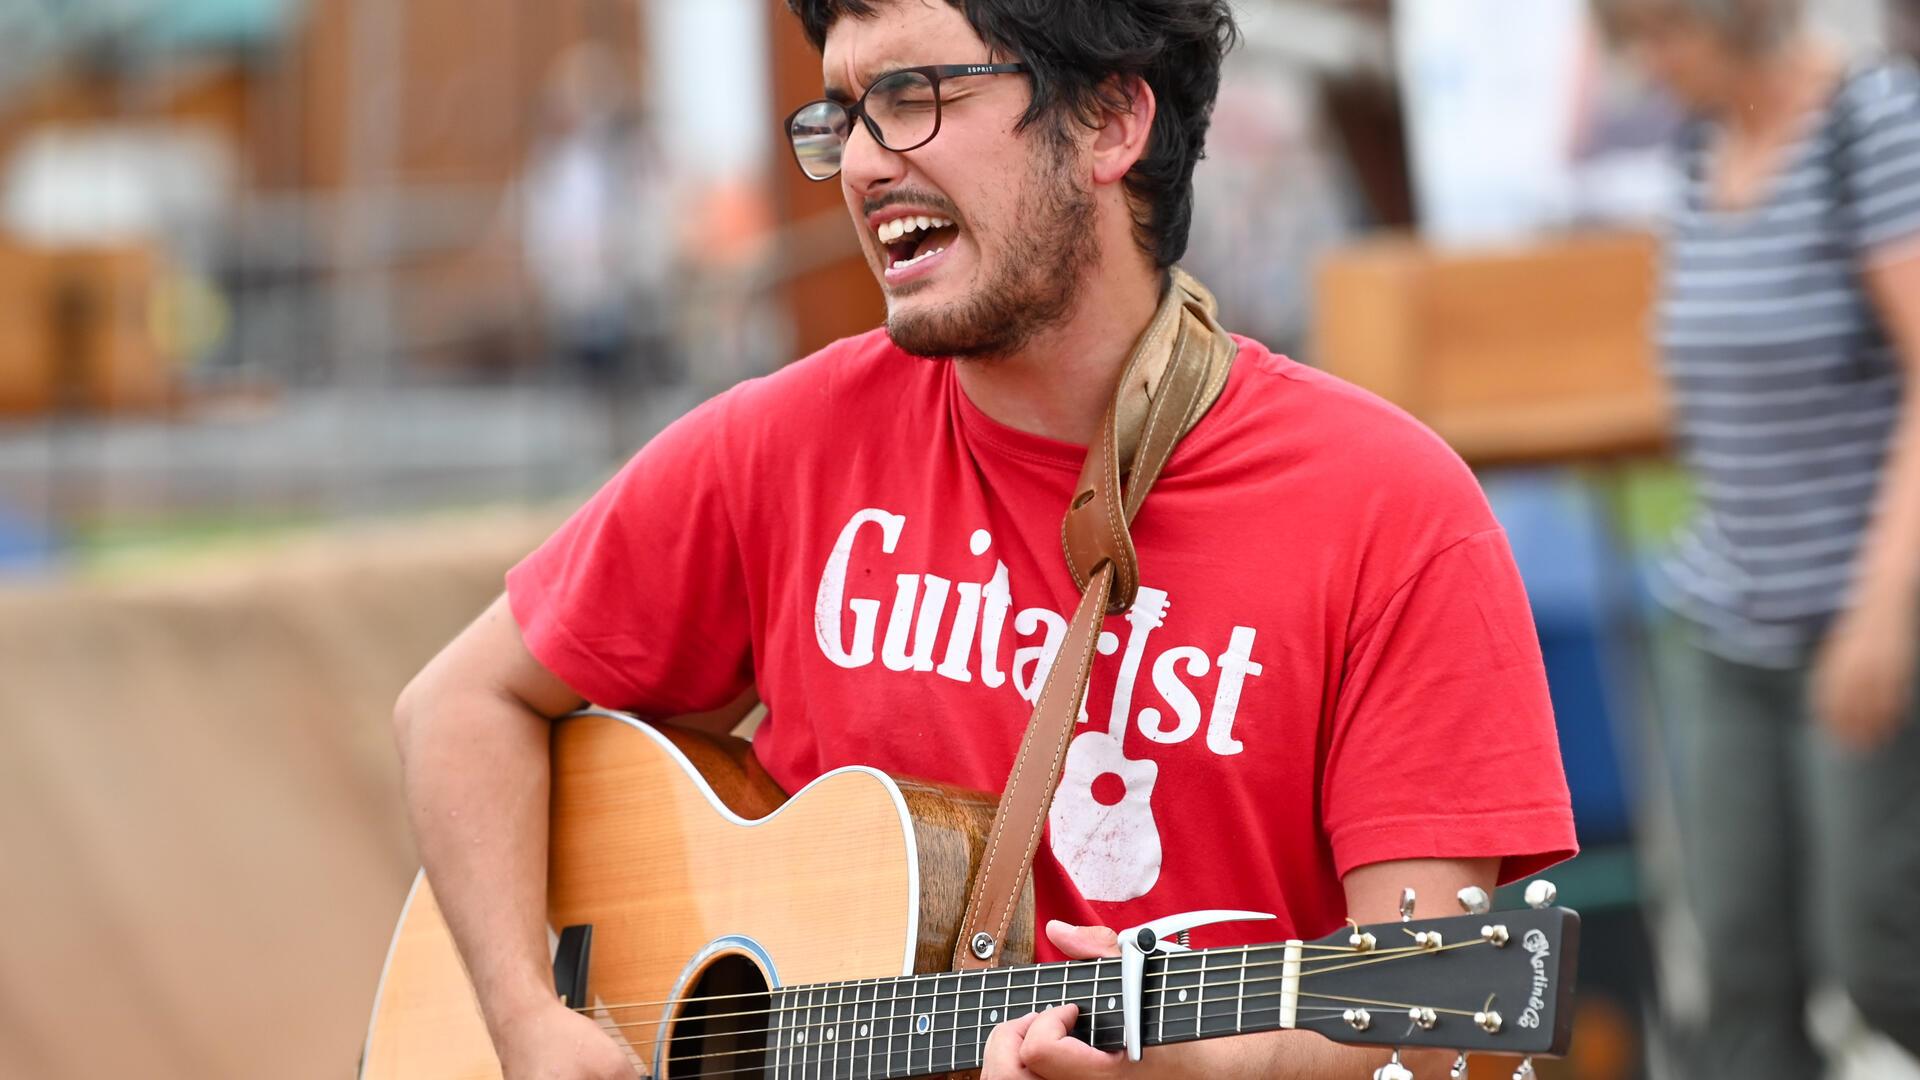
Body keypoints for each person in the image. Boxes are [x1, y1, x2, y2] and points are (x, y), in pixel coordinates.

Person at [391, 2, 1578, 1077]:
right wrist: (530, 1020)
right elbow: (457, 707)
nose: (860, 164)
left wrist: (1215, 1071)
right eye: (845, 114)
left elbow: (1432, 1043)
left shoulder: (1391, 512)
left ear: (1109, 120)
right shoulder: (780, 447)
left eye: (914, 96)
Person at [1596, 1, 1920, 1076]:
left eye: (1659, 38)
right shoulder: (1701, 147)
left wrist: (1881, 614)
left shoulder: (1868, 127)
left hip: (1860, 620)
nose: (1650, 69)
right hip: (1727, 619)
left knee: (1881, 950)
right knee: (1738, 974)